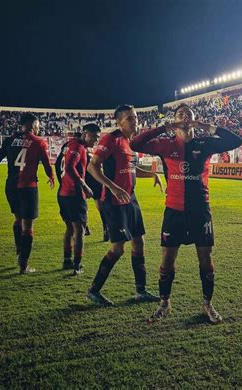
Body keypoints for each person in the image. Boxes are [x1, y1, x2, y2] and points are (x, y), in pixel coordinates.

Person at [130, 103, 242, 324]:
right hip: (174, 210)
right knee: (168, 258)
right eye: (180, 114)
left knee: (205, 257)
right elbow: (135, 143)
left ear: (194, 119)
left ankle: (207, 304)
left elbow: (235, 141)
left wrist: (205, 126)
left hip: (200, 209)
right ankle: (165, 303)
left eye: (189, 114)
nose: (185, 117)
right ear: (174, 120)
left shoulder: (205, 142)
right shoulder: (165, 144)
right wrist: (166, 127)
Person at [86, 104, 163, 306]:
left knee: (139, 242)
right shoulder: (111, 139)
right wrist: (113, 188)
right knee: (118, 248)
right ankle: (94, 290)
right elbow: (92, 166)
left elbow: (130, 169)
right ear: (118, 122)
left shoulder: (130, 143)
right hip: (114, 201)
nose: (134, 121)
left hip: (130, 198)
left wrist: (152, 174)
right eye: (129, 118)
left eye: (135, 117)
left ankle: (141, 290)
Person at [0, 113, 55, 274]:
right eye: (38, 125)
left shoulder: (9, 140)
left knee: (18, 220)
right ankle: (23, 264)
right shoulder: (39, 142)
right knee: (28, 225)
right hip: (28, 187)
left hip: (11, 187)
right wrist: (51, 176)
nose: (39, 128)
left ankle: (18, 252)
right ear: (32, 125)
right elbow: (46, 163)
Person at [55, 124, 101, 275]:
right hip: (74, 195)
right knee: (79, 231)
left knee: (70, 228)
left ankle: (67, 260)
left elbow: (58, 165)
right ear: (85, 134)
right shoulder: (79, 147)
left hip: (63, 193)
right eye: (94, 136)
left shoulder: (68, 145)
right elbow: (69, 167)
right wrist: (84, 186)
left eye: (98, 138)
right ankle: (77, 265)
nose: (96, 140)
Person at [85, 151, 109, 241]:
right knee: (99, 206)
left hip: (85, 180)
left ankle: (84, 228)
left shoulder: (80, 152)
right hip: (95, 181)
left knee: (83, 205)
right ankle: (106, 229)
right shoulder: (91, 154)